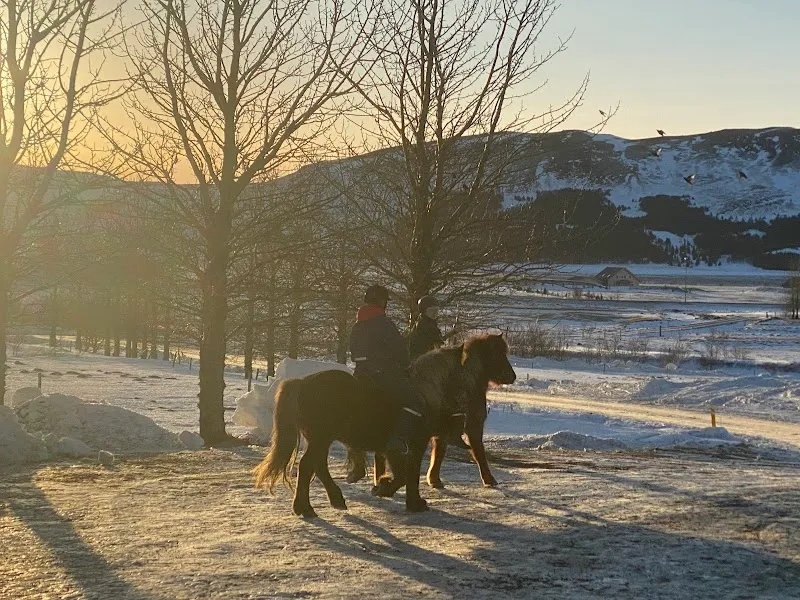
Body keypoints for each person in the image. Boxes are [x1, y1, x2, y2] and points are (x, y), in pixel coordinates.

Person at [349, 284, 426, 456]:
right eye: (385, 301)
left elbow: (353, 350)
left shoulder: (357, 325)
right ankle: (397, 438)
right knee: (416, 402)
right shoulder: (384, 323)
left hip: (361, 373)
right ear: (381, 302)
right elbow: (399, 349)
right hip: (383, 374)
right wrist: (406, 365)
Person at [407, 295, 444, 360]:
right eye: (431, 311)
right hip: (421, 360)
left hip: (423, 358)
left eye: (436, 311)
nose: (434, 313)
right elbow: (437, 342)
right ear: (423, 311)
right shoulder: (424, 325)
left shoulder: (428, 322)